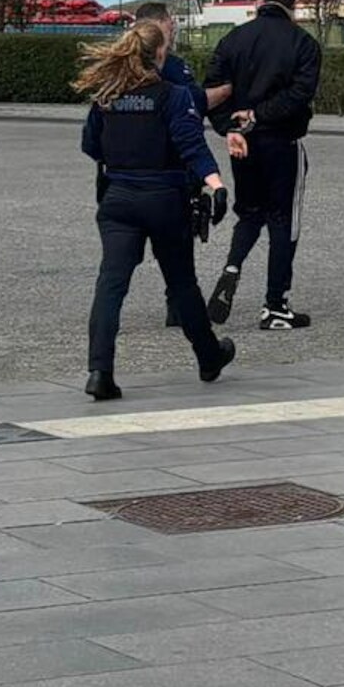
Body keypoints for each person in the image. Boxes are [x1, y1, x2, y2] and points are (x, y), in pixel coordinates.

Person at [79, 20, 235, 401]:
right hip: (164, 199)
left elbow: (90, 145)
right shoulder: (173, 96)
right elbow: (191, 146)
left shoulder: (107, 96)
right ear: (161, 54)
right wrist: (216, 185)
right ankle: (208, 357)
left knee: (111, 283)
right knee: (181, 282)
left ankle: (100, 371)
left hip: (118, 199)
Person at [201, 0, 321, 331]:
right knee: (283, 221)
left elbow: (213, 90)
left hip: (243, 144)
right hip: (282, 140)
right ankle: (275, 304)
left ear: (261, 1)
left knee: (250, 213)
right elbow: (299, 94)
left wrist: (230, 127)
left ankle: (232, 266)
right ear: (293, 5)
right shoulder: (303, 44)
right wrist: (260, 115)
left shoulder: (233, 39)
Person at [134, 1, 231, 328]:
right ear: (157, 25)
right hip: (174, 169)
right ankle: (179, 305)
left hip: (131, 174)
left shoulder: (120, 67)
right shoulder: (173, 67)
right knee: (178, 243)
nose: (173, 27)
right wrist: (229, 89)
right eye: (169, 22)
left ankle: (106, 316)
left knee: (122, 256)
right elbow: (196, 102)